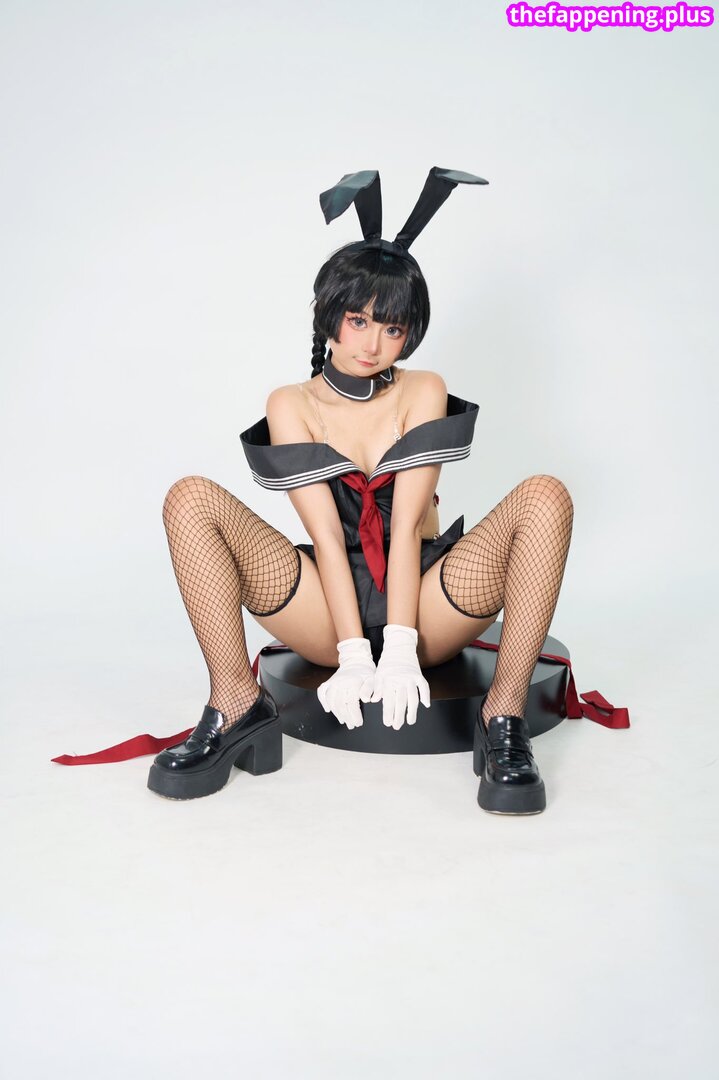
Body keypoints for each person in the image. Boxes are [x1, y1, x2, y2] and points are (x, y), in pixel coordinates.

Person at [145, 168, 575, 814]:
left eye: (392, 329)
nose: (373, 345)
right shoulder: (291, 404)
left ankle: (503, 715)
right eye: (357, 321)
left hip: (424, 601)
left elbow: (402, 529)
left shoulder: (423, 389)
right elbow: (325, 536)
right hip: (323, 602)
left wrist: (399, 648)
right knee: (189, 498)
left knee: (546, 494)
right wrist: (352, 653)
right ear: (328, 317)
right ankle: (234, 700)